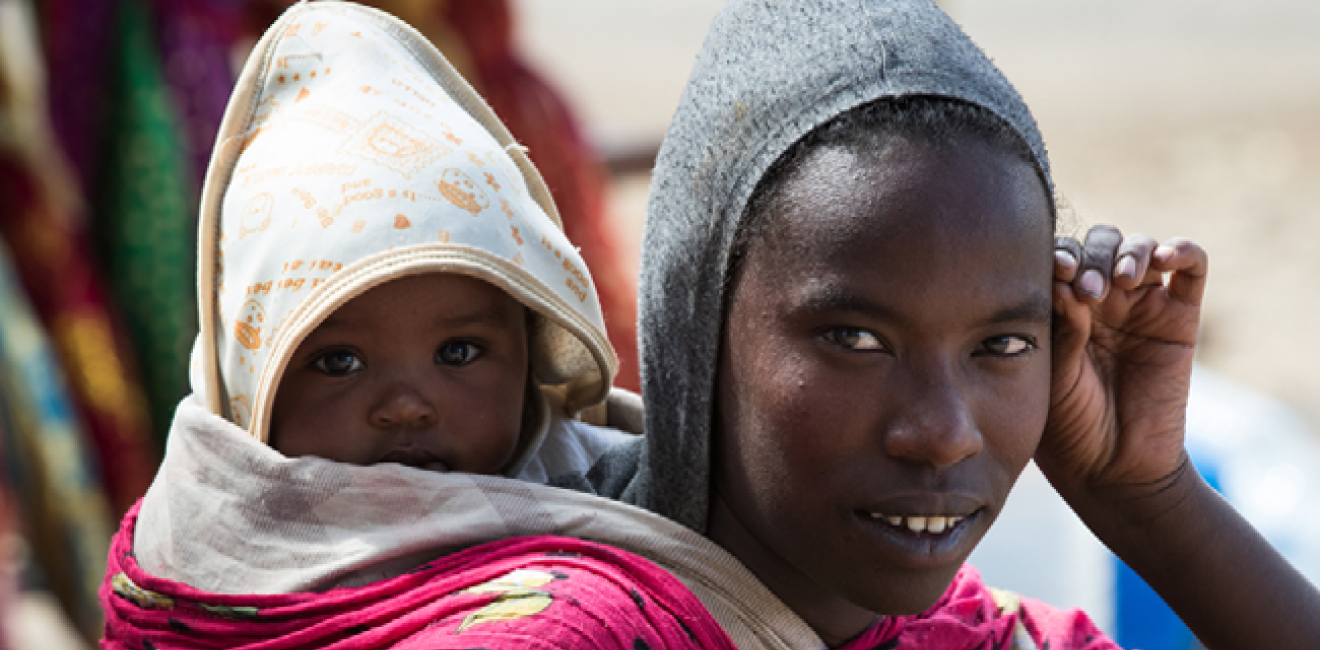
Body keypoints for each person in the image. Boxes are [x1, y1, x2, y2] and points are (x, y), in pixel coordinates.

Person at [560, 0, 1320, 647]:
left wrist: (1149, 499)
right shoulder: (557, 631)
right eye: (857, 340)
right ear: (697, 331)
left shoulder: (989, 634)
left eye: (1002, 344)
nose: (944, 432)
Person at [99, 3, 735, 649]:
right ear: (248, 386)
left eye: (459, 351)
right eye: (338, 361)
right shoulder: (197, 544)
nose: (405, 407)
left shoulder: (624, 504)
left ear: (532, 356)